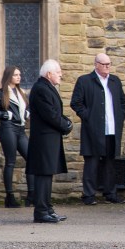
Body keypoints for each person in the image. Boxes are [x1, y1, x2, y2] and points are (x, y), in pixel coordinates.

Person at [70, 53, 125, 205]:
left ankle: (111, 192)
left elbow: (123, 102)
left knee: (110, 162)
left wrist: (120, 116)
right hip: (93, 129)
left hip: (112, 129)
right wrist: (88, 116)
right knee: (92, 162)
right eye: (104, 64)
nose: (107, 66)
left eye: (109, 64)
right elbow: (76, 103)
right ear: (96, 64)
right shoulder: (84, 81)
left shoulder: (115, 81)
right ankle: (89, 195)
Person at [27, 60, 72, 224]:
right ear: (49, 74)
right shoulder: (41, 89)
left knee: (47, 175)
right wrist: (66, 125)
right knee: (43, 175)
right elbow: (50, 114)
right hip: (44, 139)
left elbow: (55, 112)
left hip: (49, 138)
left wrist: (66, 122)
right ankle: (41, 211)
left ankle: (47, 208)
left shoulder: (46, 88)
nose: (61, 75)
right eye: (58, 72)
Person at [0, 65, 34, 208]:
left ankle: (31, 195)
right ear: (9, 76)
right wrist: (6, 115)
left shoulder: (21, 92)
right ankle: (9, 197)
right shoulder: (1, 93)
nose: (18, 77)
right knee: (10, 161)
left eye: (19, 75)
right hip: (8, 128)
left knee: (31, 159)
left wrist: (27, 113)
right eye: (16, 75)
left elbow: (27, 108)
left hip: (20, 129)